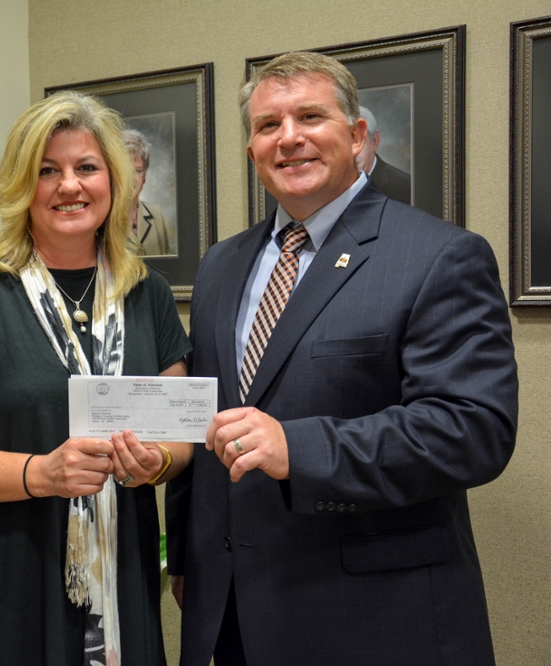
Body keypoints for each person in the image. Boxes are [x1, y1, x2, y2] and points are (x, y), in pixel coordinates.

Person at [166, 51, 517, 666]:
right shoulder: (221, 265)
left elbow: (473, 431)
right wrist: (189, 557)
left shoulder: (439, 256)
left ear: (357, 136)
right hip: (232, 616)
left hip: (375, 617)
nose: (289, 138)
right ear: (251, 151)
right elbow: (211, 417)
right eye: (268, 125)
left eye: (309, 116)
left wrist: (299, 450)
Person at [0, 91, 193, 666]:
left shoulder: (148, 294)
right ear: (22, 187)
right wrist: (40, 473)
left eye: (86, 168)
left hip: (121, 570)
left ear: (113, 181)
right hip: (2, 578)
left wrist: (156, 462)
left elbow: (179, 434)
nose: (70, 186)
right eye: (47, 171)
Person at [124, 128, 177, 256]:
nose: (132, 179)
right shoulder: (101, 219)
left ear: (145, 176)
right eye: (126, 170)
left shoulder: (156, 214)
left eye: (138, 170)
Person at [355, 104, 412, 204]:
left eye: (358, 141)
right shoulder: (329, 183)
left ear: (375, 141)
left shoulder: (406, 188)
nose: (351, 152)